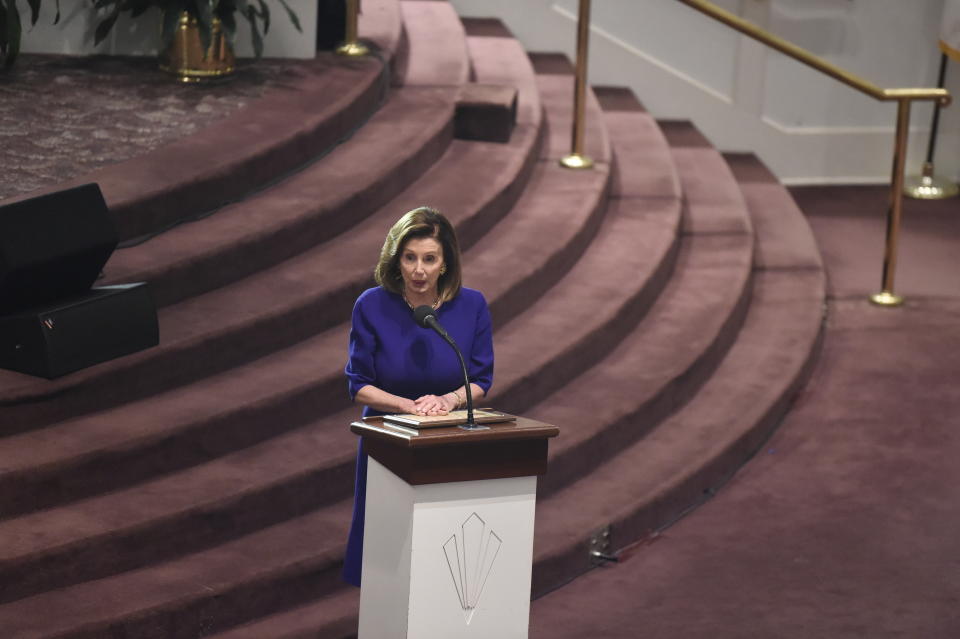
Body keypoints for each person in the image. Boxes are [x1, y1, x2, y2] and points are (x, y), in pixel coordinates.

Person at [342, 206, 494, 587]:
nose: (419, 270)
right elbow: (358, 383)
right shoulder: (372, 305)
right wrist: (406, 406)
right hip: (386, 435)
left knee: (440, 551)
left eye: (430, 258)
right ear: (396, 259)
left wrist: (447, 401)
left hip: (446, 436)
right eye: (409, 258)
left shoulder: (472, 305)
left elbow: (480, 378)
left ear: (445, 263)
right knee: (385, 549)